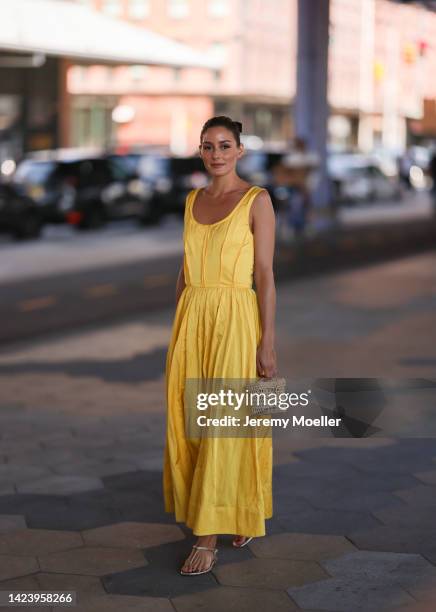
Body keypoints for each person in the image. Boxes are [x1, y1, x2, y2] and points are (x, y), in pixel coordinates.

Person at [163, 115, 277, 575]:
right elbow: (185, 270)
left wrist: (268, 342)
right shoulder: (191, 200)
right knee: (189, 426)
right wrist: (177, 328)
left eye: (224, 145)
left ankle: (207, 535)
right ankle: (234, 509)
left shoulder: (257, 200)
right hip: (192, 319)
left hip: (235, 319)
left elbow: (265, 275)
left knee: (225, 423)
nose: (215, 154)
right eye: (208, 146)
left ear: (240, 151)